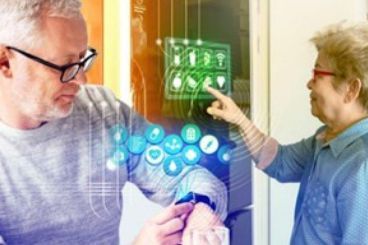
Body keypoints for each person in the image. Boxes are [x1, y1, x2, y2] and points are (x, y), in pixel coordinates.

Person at [0, 1, 227, 244]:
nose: (82, 80)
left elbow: (192, 176)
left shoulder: (104, 112)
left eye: (82, 59)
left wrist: (199, 209)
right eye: (65, 65)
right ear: (5, 61)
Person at [207, 22, 368, 244]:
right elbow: (280, 161)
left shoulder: (361, 165)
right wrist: (240, 120)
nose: (309, 84)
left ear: (351, 89)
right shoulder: (324, 139)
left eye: (317, 74)